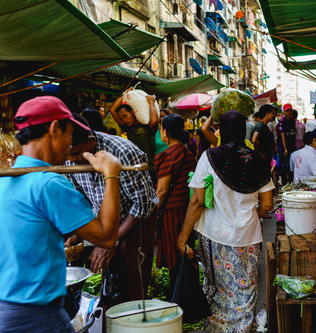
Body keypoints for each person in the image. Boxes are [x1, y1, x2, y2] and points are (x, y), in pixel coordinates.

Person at [0, 96, 121, 332]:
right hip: (36, 314)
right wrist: (111, 174)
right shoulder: (49, 184)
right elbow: (106, 237)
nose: (70, 143)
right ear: (55, 128)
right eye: (69, 134)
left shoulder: (5, 179)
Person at [177, 111, 274, 333]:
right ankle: (242, 327)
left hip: (214, 234)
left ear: (221, 130)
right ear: (243, 131)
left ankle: (219, 327)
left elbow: (197, 202)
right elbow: (267, 204)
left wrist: (182, 238)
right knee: (245, 286)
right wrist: (250, 217)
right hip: (248, 236)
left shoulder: (209, 157)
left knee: (219, 286)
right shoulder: (258, 159)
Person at [65, 114, 159, 303]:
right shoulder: (68, 159)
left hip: (135, 221)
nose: (72, 160)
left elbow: (144, 204)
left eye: (76, 154)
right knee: (109, 279)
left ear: (91, 141)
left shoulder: (123, 151)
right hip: (104, 220)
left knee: (134, 284)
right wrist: (77, 234)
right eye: (69, 155)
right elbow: (81, 198)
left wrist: (112, 241)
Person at [155, 114, 196, 270]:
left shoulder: (166, 155)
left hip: (171, 212)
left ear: (165, 132)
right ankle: (184, 287)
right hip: (187, 209)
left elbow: (162, 190)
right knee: (185, 250)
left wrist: (153, 208)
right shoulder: (188, 154)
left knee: (175, 256)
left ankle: (179, 291)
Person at [109, 89, 159, 170]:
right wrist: (125, 94)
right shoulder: (127, 127)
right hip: (135, 167)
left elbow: (154, 122)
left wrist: (151, 102)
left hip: (150, 167)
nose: (124, 120)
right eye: (122, 118)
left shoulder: (145, 125)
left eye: (125, 116)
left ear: (132, 112)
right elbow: (112, 110)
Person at [277, 105, 296, 184]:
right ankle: (284, 183)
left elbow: (293, 133)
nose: (289, 112)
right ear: (284, 112)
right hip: (283, 146)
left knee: (291, 163)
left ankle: (291, 181)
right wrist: (285, 148)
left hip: (291, 145)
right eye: (287, 110)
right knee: (284, 165)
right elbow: (282, 135)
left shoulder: (292, 120)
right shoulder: (282, 121)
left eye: (290, 110)